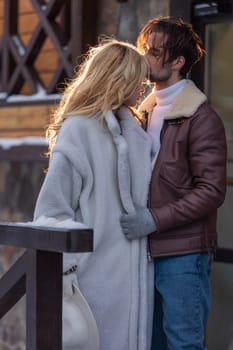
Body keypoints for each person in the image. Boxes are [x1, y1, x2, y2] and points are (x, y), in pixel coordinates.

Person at [33, 38, 154, 350]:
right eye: (138, 78)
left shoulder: (137, 133)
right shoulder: (78, 131)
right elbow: (51, 212)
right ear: (118, 78)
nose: (144, 86)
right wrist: (72, 269)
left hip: (133, 282)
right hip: (92, 280)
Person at [120, 16, 227, 350]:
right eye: (143, 49)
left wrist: (153, 219)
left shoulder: (201, 118)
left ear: (178, 62)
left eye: (154, 52)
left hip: (184, 254)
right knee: (148, 343)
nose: (144, 58)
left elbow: (212, 191)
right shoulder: (144, 113)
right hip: (145, 251)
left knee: (183, 344)